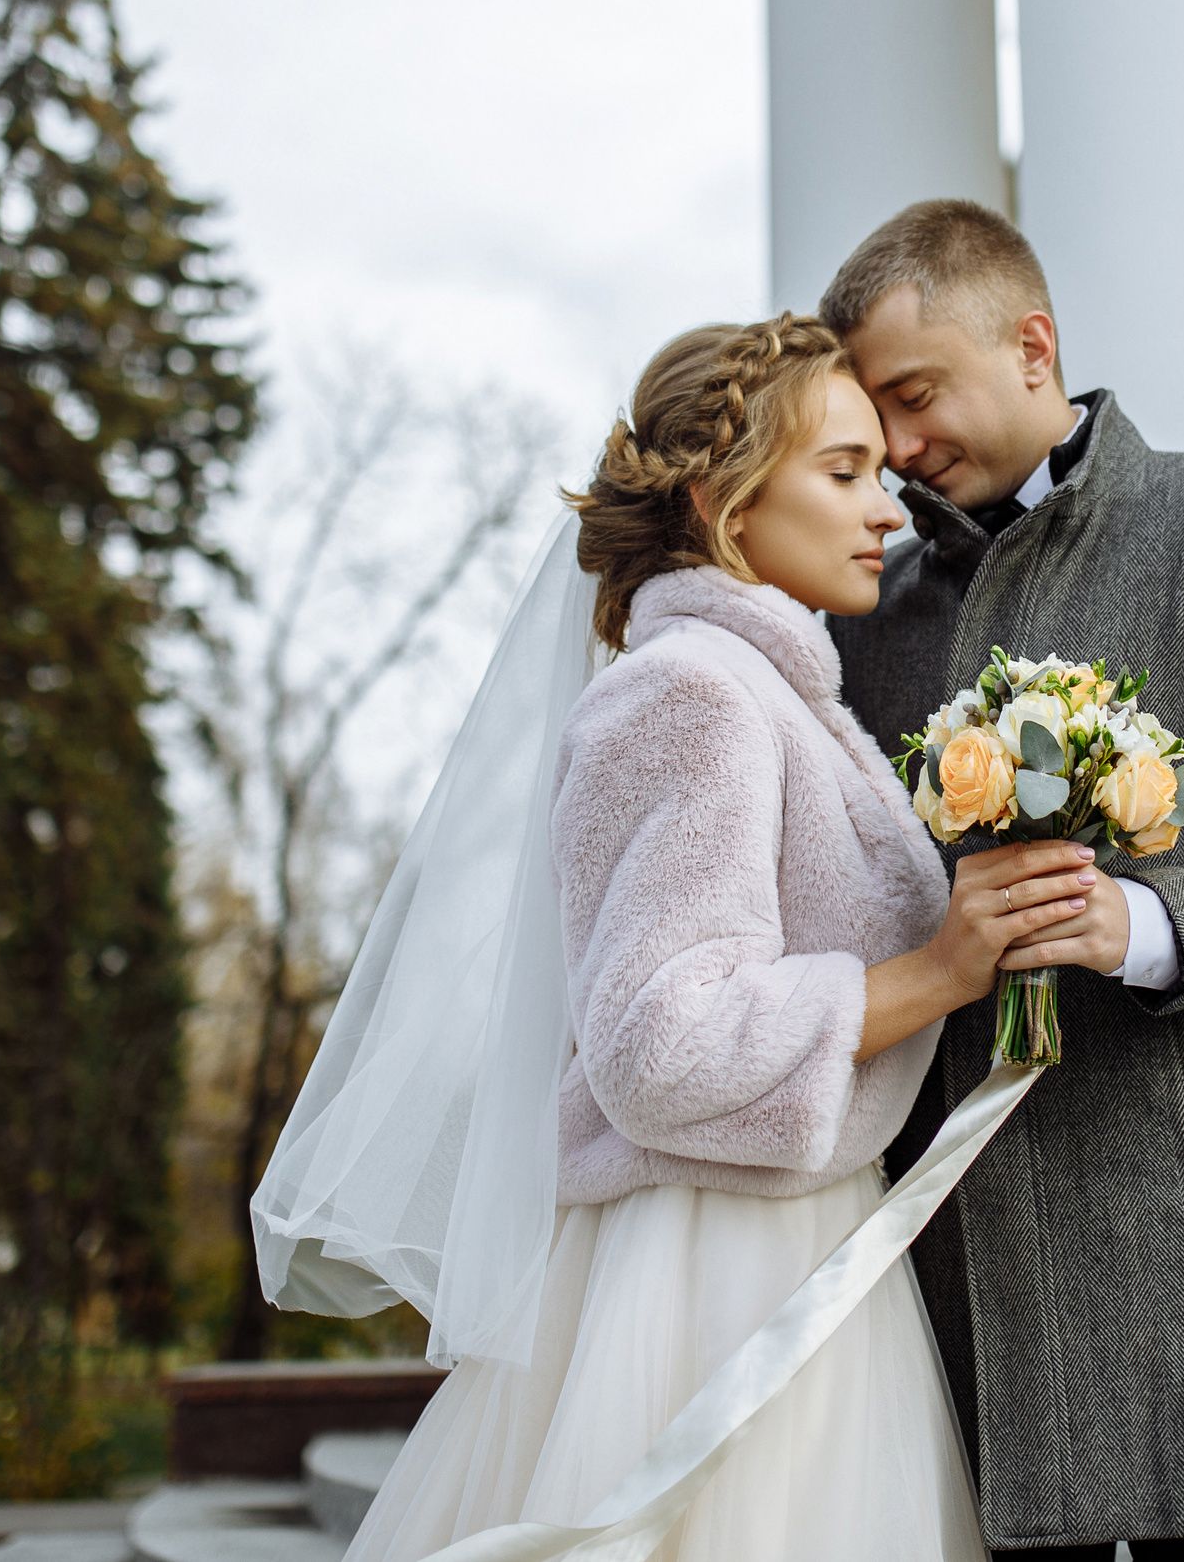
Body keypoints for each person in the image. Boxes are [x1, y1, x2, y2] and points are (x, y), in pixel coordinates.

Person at [264, 317, 1100, 1562]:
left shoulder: (775, 692)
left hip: (790, 1245)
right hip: (707, 1279)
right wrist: (935, 973)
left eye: (881, 469)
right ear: (722, 503)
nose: (889, 508)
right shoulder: (690, 693)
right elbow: (656, 1045)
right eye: (843, 471)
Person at [820, 199, 1184, 1560]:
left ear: (1031, 343)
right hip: (958, 1238)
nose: (900, 447)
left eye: (916, 396)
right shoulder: (866, 615)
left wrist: (1143, 920)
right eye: (875, 415)